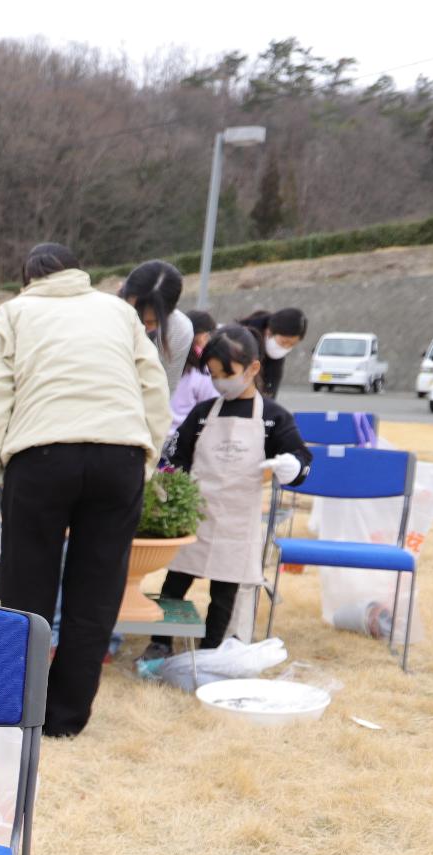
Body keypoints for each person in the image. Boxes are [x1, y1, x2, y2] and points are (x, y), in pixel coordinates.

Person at [0, 242, 170, 737]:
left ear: (28, 277)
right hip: (118, 453)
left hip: (41, 455)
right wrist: (145, 456)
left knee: (28, 590)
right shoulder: (119, 311)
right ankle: (67, 719)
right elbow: (154, 388)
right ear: (79, 271)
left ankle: (23, 710)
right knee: (96, 593)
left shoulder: (13, 313)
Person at [153, 325, 312, 650]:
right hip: (194, 516)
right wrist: (171, 485)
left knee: (224, 593)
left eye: (228, 373)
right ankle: (160, 642)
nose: (219, 381)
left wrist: (291, 467)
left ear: (253, 368)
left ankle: (212, 650)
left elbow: (301, 458)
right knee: (174, 584)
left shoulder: (273, 417)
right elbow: (175, 456)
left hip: (238, 522)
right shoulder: (201, 414)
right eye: (213, 374)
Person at [119, 260, 194, 391]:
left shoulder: (179, 331)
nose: (139, 325)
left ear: (168, 313)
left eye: (149, 322)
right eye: (133, 315)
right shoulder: (105, 314)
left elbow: (165, 389)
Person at [237, 308, 308, 398]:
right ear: (269, 332)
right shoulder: (240, 341)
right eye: (284, 342)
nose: (286, 347)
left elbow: (270, 392)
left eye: (292, 344)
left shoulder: (277, 359)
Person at [170, 310, 219, 427]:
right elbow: (212, 409)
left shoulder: (163, 360)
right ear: (203, 337)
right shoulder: (203, 371)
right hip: (183, 439)